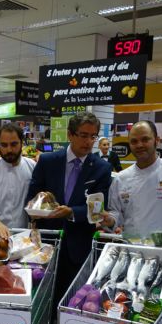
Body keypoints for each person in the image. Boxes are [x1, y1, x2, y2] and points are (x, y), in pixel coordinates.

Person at [27, 112, 112, 299]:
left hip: (79, 245)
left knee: (72, 298)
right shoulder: (48, 161)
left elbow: (97, 210)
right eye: (83, 135)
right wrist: (37, 209)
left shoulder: (102, 168)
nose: (88, 142)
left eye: (93, 136)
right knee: (41, 296)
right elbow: (32, 197)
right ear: (70, 134)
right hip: (46, 243)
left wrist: (72, 212)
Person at [0, 123, 36, 238]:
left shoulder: (32, 166)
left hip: (25, 237)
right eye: (4, 145)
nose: (9, 149)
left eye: (14, 144)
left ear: (22, 143)